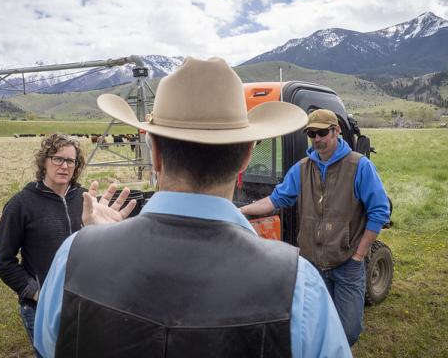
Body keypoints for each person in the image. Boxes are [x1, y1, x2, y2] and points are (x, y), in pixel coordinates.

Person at [34, 57, 352, 357]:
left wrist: (102, 244)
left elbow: (49, 347)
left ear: (155, 153)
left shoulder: (73, 256)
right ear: (245, 158)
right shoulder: (299, 285)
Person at [240, 108, 390, 346]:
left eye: (322, 133)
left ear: (337, 131)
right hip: (312, 265)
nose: (317, 139)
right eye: (312, 134)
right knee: (316, 327)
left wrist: (359, 255)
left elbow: (380, 211)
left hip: (347, 263)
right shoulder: (302, 168)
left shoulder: (358, 166)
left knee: (349, 329)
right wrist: (241, 211)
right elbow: (275, 199)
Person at [0, 133, 135, 356]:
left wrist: (109, 231)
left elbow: (99, 250)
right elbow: (3, 261)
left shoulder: (87, 200)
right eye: (57, 158)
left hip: (84, 303)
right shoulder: (21, 204)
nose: (64, 166)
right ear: (44, 161)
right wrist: (36, 292)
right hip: (40, 307)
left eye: (70, 160)